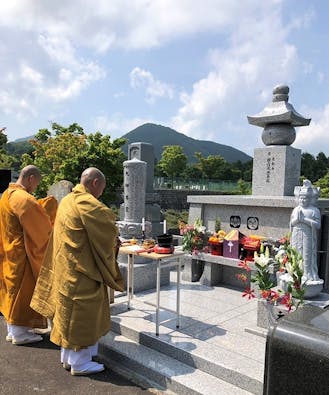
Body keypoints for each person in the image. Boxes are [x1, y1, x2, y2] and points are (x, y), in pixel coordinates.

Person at [31, 167, 124, 376]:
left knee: (67, 315)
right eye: (101, 188)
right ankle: (80, 363)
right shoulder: (89, 204)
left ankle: (68, 357)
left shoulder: (67, 200)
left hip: (66, 269)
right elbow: (109, 228)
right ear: (94, 183)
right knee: (83, 316)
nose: (101, 193)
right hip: (84, 271)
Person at [0, 165, 52, 344]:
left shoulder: (7, 194)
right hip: (24, 253)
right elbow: (42, 230)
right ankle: (20, 334)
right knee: (23, 291)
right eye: (36, 183)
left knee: (11, 290)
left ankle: (12, 330)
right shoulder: (24, 199)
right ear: (31, 178)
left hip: (9, 250)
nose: (36, 187)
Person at [290, 179, 321, 281]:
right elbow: (291, 224)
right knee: (296, 253)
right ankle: (295, 272)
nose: (302, 200)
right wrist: (297, 220)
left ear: (310, 199)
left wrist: (305, 220)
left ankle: (307, 274)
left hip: (308, 235)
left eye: (305, 199)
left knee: (306, 255)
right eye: (301, 198)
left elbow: (318, 225)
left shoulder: (314, 210)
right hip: (296, 234)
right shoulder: (296, 209)